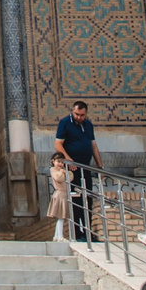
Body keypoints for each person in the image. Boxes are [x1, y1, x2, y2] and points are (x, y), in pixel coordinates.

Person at [52, 100, 96, 239]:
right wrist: (68, 160)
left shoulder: (88, 125)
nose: (79, 117)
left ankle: (88, 233)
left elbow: (93, 145)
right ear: (73, 111)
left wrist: (100, 166)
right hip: (72, 171)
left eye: (82, 115)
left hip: (85, 168)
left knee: (87, 199)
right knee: (76, 200)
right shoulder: (65, 122)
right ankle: (78, 233)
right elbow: (58, 144)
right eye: (77, 114)